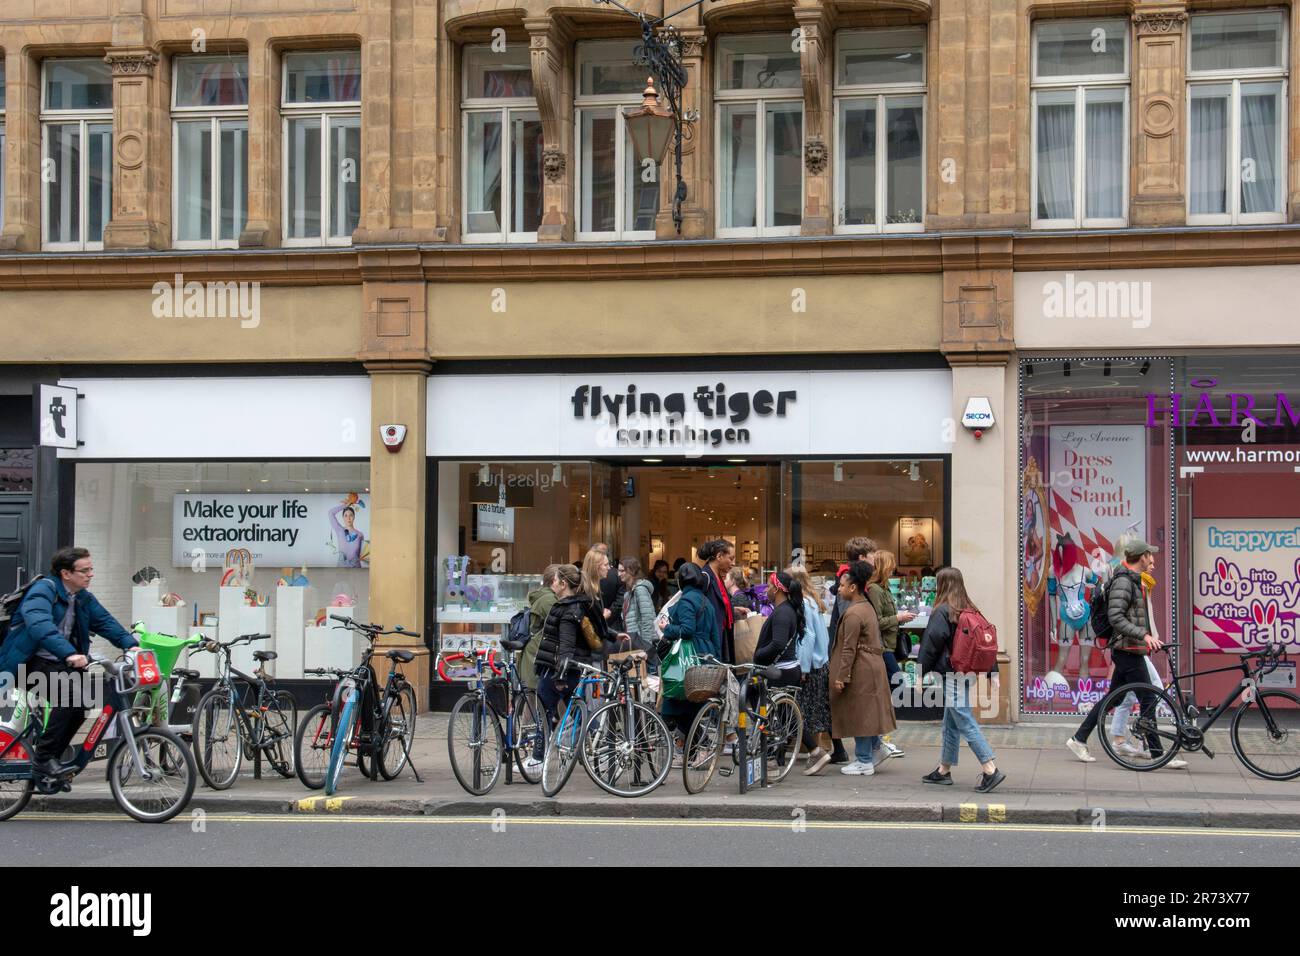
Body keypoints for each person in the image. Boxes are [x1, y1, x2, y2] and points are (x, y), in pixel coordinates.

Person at [0, 547, 138, 778]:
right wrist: (69, 653)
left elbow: (104, 621)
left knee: (83, 704)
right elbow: (40, 625)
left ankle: (52, 758)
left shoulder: (81, 596)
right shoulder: (43, 591)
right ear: (66, 573)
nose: (90, 574)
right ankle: (43, 760)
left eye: (91, 569)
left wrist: (130, 644)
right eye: (84, 570)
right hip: (26, 662)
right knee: (71, 699)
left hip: (57, 662)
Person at [1066, 540, 1187, 768]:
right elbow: (1116, 617)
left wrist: (1147, 637)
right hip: (1127, 649)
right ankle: (1157, 753)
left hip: (1129, 649)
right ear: (1141, 557)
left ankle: (1078, 739)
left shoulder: (1133, 580)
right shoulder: (1124, 581)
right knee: (1148, 698)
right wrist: (1144, 635)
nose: (1152, 560)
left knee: (1116, 697)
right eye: (1149, 556)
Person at [918, 567, 1006, 792]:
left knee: (963, 719)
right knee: (951, 722)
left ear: (942, 585)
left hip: (952, 674)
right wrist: (992, 672)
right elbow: (986, 643)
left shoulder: (943, 611)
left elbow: (930, 645)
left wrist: (919, 674)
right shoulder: (971, 609)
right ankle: (943, 770)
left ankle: (990, 768)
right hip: (969, 674)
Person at [826, 560, 897, 776]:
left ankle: (864, 760)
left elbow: (849, 648)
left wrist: (841, 676)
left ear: (852, 587)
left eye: (841, 585)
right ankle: (875, 748)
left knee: (860, 714)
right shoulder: (866, 607)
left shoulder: (854, 613)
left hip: (861, 669)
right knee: (867, 712)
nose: (838, 589)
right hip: (870, 666)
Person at [825, 535, 876, 763]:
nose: (876, 558)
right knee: (856, 704)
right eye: (873, 555)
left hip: (856, 657)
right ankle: (863, 755)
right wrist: (843, 671)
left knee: (861, 704)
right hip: (852, 658)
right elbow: (849, 633)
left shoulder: (853, 582)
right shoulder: (849, 585)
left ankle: (871, 749)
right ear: (863, 557)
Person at [658, 562, 719, 751]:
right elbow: (715, 635)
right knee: (690, 707)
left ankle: (703, 744)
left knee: (671, 709)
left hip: (686, 659)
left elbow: (687, 630)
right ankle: (693, 751)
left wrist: (666, 628)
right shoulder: (705, 601)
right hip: (704, 656)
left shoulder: (686, 601)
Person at [533, 564, 596, 728]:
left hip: (557, 668)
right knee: (579, 714)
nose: (552, 582)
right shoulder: (581, 604)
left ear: (564, 584)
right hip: (575, 668)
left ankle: (539, 754)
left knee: (543, 716)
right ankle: (594, 743)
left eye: (556, 579)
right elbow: (592, 635)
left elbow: (566, 644)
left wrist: (560, 675)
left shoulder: (566, 608)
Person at [787, 565, 833, 774]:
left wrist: (803, 667)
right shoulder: (813, 601)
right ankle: (822, 750)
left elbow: (806, 638)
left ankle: (815, 753)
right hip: (819, 664)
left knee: (802, 711)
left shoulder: (803, 604)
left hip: (810, 666)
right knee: (812, 711)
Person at [867, 550, 912, 760]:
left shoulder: (884, 588)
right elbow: (875, 621)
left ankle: (879, 739)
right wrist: (897, 617)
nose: (894, 568)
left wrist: (899, 618)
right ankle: (878, 737)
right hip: (882, 647)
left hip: (889, 646)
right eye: (891, 564)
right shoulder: (875, 589)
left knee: (887, 690)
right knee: (894, 686)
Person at [751, 570, 804, 688]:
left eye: (769, 586)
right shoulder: (786, 609)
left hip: (781, 672)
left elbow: (778, 644)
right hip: (784, 670)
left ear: (776, 589)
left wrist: (758, 654)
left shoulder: (783, 612)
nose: (765, 590)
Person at [519, 564, 560, 691]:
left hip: (533, 652)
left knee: (532, 699)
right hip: (537, 653)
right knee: (538, 697)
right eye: (562, 580)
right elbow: (561, 623)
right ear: (554, 581)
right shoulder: (549, 600)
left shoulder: (545, 596)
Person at [697, 540, 737, 663]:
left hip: (721, 635)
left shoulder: (717, 577)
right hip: (710, 639)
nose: (733, 563)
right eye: (731, 558)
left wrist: (733, 610)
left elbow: (717, 605)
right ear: (719, 556)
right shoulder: (704, 577)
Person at [619, 556, 659, 671]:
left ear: (631, 571)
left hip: (641, 645)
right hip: (635, 643)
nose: (619, 574)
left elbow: (648, 618)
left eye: (622, 571)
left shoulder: (640, 589)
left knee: (646, 682)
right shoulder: (629, 592)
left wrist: (645, 647)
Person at [579, 547, 614, 651]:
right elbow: (583, 623)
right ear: (596, 567)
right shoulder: (585, 591)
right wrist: (602, 617)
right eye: (605, 565)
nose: (609, 568)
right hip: (586, 651)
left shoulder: (593, 589)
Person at [328, 494, 366, 567]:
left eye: (351, 515)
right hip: (341, 568)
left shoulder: (360, 534)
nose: (348, 518)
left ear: (354, 517)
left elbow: (361, 555)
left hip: (356, 568)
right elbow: (330, 513)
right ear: (343, 517)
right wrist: (346, 505)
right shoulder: (339, 530)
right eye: (346, 515)